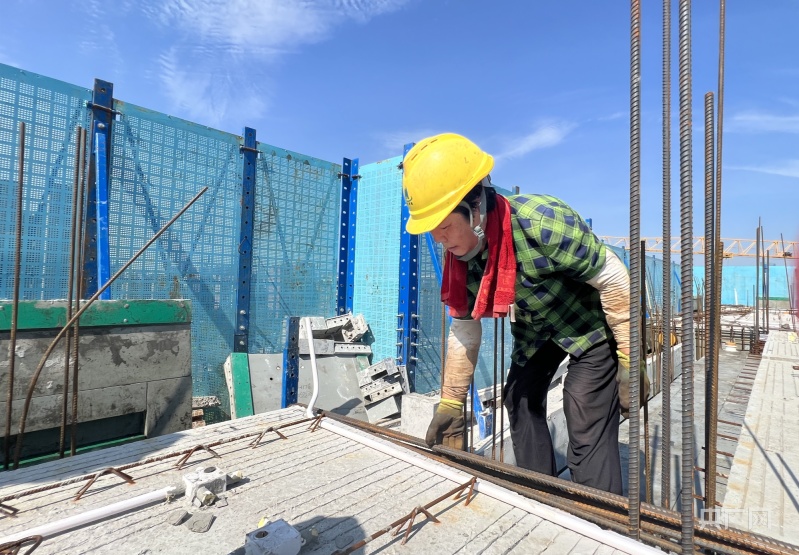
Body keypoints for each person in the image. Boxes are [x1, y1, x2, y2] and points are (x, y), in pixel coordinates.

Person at [402, 132, 647, 495]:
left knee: (582, 406)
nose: (440, 239)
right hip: (537, 332)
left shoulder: (542, 222)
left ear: (476, 209)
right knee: (518, 397)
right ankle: (540, 493)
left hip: (588, 326)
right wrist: (452, 402)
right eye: (433, 231)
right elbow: (465, 330)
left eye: (445, 226)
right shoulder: (463, 261)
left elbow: (613, 279)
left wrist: (629, 356)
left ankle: (601, 513)